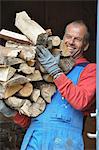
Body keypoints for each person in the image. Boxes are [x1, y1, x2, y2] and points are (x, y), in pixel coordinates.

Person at [0, 20, 96, 150]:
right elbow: (33, 121)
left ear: (85, 46)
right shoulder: (43, 66)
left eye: (77, 39)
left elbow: (81, 101)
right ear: (62, 39)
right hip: (35, 138)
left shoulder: (90, 69)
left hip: (65, 141)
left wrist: (55, 72)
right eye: (68, 37)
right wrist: (11, 113)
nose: (71, 42)